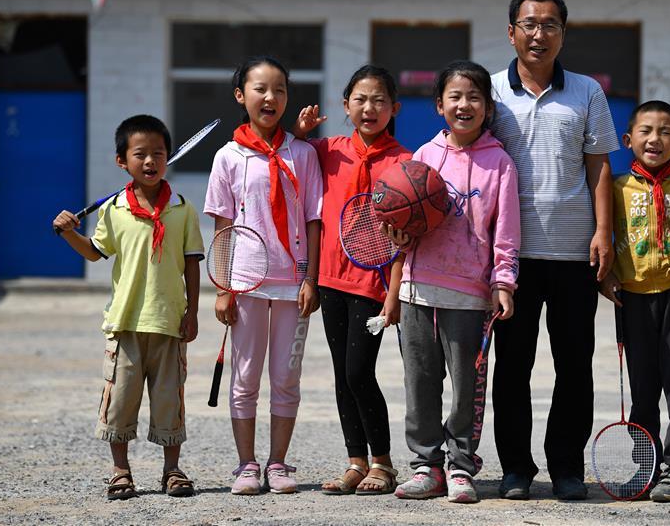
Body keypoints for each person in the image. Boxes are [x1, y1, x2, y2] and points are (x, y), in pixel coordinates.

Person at [489, 0, 619, 501]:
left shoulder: (587, 91)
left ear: (563, 33)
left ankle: (566, 468)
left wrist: (603, 233)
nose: (538, 34)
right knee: (512, 366)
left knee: (573, 364)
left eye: (549, 25)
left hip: (572, 253)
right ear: (511, 32)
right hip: (510, 255)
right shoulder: (490, 90)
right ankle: (516, 469)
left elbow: (600, 165)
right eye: (529, 24)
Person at [386, 60, 521, 504]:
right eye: (455, 97)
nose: (465, 105)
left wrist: (504, 282)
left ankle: (462, 465)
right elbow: (403, 223)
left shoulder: (500, 163)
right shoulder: (423, 156)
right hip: (418, 288)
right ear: (440, 104)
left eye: (474, 97)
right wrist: (399, 235)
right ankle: (427, 465)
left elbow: (506, 231)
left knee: (467, 388)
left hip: (471, 294)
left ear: (487, 106)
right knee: (420, 382)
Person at [52, 115, 204, 500]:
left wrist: (193, 312)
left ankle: (172, 469)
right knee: (120, 400)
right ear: (122, 161)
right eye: (141, 154)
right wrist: (70, 231)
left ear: (168, 157)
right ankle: (120, 470)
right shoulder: (114, 210)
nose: (150, 161)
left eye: (158, 153)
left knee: (170, 399)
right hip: (125, 323)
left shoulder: (183, 209)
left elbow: (191, 262)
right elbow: (93, 253)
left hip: (169, 322)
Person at [204, 56, 323, 495]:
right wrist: (223, 288)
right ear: (241, 96)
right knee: (245, 375)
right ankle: (246, 465)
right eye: (260, 88)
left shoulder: (303, 153)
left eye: (279, 90)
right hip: (247, 284)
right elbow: (222, 228)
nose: (270, 98)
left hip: (294, 284)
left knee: (286, 376)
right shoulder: (228, 157)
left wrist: (310, 278)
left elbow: (313, 219)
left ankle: (278, 463)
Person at [291, 65, 409, 495]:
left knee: (360, 372)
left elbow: (405, 239)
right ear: (346, 106)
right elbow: (294, 162)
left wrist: (393, 294)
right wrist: (301, 134)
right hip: (331, 280)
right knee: (343, 375)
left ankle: (383, 462)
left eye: (379, 100)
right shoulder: (328, 149)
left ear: (394, 108)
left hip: (373, 286)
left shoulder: (406, 163)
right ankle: (355, 461)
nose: (369, 108)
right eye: (360, 99)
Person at [599, 100, 670, 502]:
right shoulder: (613, 188)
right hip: (633, 299)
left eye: (665, 132)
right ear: (629, 140)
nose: (655, 138)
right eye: (646, 130)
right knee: (642, 390)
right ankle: (646, 467)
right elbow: (601, 240)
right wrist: (607, 278)